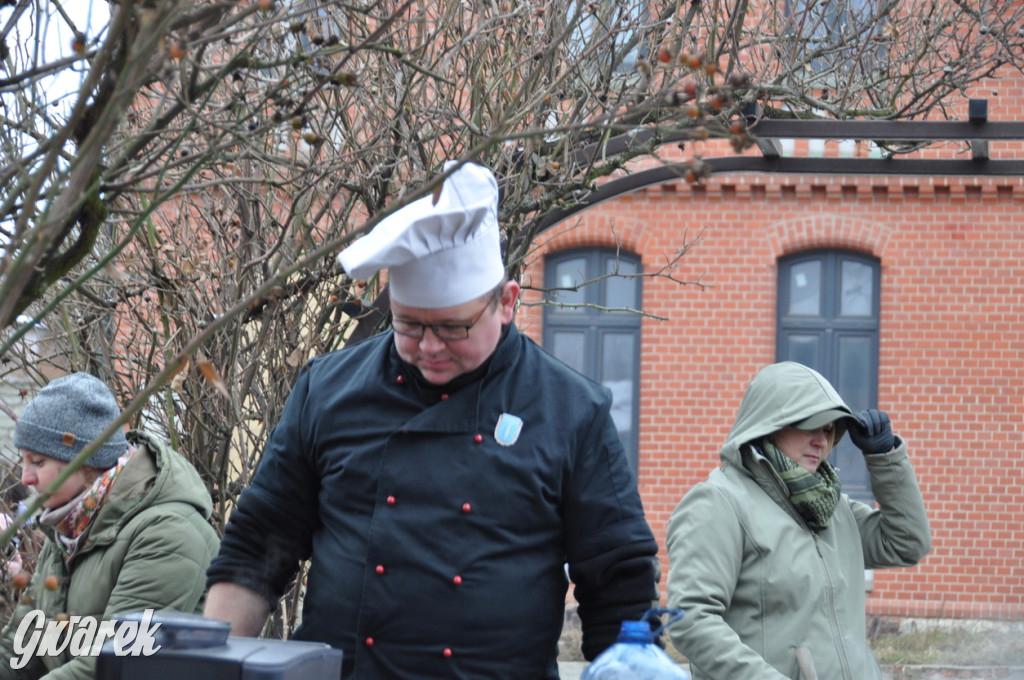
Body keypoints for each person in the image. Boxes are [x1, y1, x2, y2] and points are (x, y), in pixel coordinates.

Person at [204, 161, 660, 679]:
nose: (429, 346)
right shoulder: (329, 390)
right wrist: (209, 666)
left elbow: (618, 582)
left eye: (452, 327)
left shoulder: (571, 410)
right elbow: (260, 543)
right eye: (409, 325)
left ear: (506, 303)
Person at [665, 361, 931, 680]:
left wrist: (885, 457)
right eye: (811, 426)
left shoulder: (833, 508)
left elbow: (907, 543)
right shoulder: (720, 503)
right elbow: (691, 619)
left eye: (829, 430)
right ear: (771, 425)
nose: (822, 441)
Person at [0, 372, 221, 680]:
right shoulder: (67, 531)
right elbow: (20, 650)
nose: (25, 478)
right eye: (23, 461)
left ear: (86, 461)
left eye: (37, 462)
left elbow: (114, 664)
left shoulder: (168, 535)